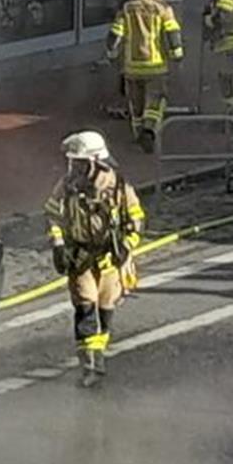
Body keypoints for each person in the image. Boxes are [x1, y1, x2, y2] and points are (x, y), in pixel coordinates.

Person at [44, 130, 144, 387]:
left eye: (79, 163)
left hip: (110, 260)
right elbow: (52, 215)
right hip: (81, 258)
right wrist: (58, 244)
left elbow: (136, 221)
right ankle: (90, 365)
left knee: (105, 310)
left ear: (95, 162)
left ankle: (98, 352)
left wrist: (126, 245)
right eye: (72, 162)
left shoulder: (118, 186)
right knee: (85, 308)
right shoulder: (66, 186)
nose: (73, 168)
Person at [106, 0, 183, 151]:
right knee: (156, 101)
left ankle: (138, 135)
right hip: (155, 66)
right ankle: (150, 130)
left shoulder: (128, 7)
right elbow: (173, 33)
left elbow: (115, 34)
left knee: (136, 103)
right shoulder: (163, 7)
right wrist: (177, 54)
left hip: (132, 67)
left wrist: (111, 53)